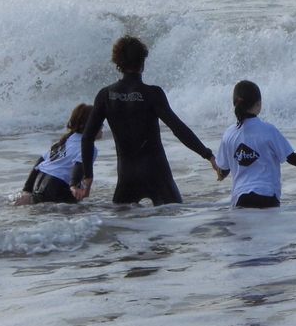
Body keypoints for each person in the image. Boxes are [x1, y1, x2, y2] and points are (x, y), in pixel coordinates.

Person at [78, 35, 218, 205]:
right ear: (142, 62)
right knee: (175, 216)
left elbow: (87, 138)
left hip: (127, 177)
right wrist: (207, 155)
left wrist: (88, 177)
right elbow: (178, 129)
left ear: (118, 63)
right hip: (157, 174)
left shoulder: (105, 95)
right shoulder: (152, 94)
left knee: (122, 220)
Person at [215, 80, 296, 208]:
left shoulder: (228, 134)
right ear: (259, 104)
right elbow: (292, 158)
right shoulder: (268, 130)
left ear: (235, 104)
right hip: (267, 196)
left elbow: (223, 169)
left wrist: (220, 172)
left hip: (241, 200)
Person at [16, 104, 99, 205]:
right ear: (91, 125)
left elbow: (41, 162)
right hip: (55, 187)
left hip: (38, 182)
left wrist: (27, 189)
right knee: (78, 212)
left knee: (43, 212)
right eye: (100, 123)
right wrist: (74, 186)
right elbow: (79, 167)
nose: (102, 128)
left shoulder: (65, 140)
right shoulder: (88, 147)